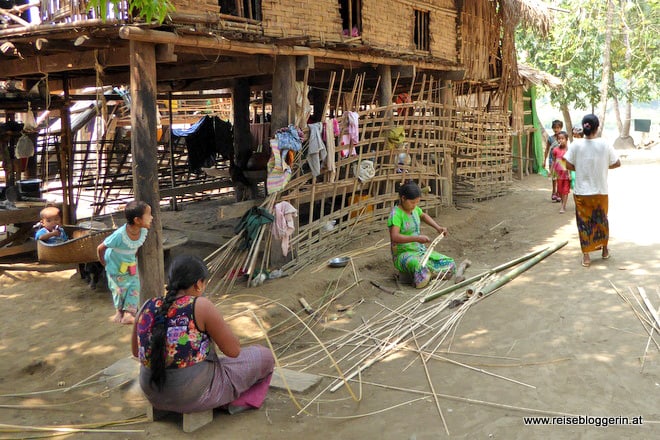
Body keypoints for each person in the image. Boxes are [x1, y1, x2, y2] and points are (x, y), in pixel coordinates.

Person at [132, 254, 274, 415]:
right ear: (199, 284)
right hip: (191, 396)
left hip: (152, 394)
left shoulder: (147, 305)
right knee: (265, 357)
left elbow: (136, 352)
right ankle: (236, 401)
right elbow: (233, 351)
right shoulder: (200, 306)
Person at [564, 114, 621, 267]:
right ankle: (604, 251)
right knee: (601, 220)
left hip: (582, 192)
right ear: (597, 128)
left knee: (584, 223)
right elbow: (617, 163)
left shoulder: (575, 145)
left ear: (584, 127)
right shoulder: (605, 144)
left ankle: (587, 257)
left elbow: (568, 165)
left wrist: (581, 168)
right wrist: (601, 166)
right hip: (600, 191)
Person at [388, 181, 456, 288]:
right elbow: (395, 237)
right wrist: (416, 238)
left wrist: (438, 227)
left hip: (420, 251)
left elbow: (423, 216)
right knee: (420, 267)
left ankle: (430, 274)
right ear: (403, 198)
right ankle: (429, 274)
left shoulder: (414, 209)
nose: (414, 205)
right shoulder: (396, 214)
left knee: (449, 263)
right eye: (412, 202)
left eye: (417, 203)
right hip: (404, 254)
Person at [97, 200, 153, 324]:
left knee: (134, 284)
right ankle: (119, 312)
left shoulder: (143, 231)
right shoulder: (119, 235)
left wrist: (134, 257)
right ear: (137, 220)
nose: (152, 217)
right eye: (149, 215)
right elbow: (101, 247)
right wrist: (103, 262)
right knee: (118, 288)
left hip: (130, 262)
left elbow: (136, 247)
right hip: (114, 264)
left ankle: (129, 313)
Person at [551, 131, 571, 214]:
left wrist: (570, 173)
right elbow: (554, 162)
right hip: (558, 173)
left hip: (566, 172)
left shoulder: (569, 150)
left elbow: (570, 163)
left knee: (565, 190)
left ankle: (563, 206)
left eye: (563, 138)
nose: (561, 140)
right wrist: (552, 172)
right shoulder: (555, 150)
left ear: (566, 139)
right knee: (559, 190)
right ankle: (563, 203)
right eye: (559, 139)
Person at [544, 119, 563, 202]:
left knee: (560, 177)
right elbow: (547, 150)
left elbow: (565, 149)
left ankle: (559, 192)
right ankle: (553, 192)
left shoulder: (563, 138)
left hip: (561, 160)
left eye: (558, 127)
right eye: (555, 128)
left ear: (561, 128)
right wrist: (544, 160)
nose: (556, 129)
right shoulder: (550, 139)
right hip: (552, 160)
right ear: (552, 128)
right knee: (554, 177)